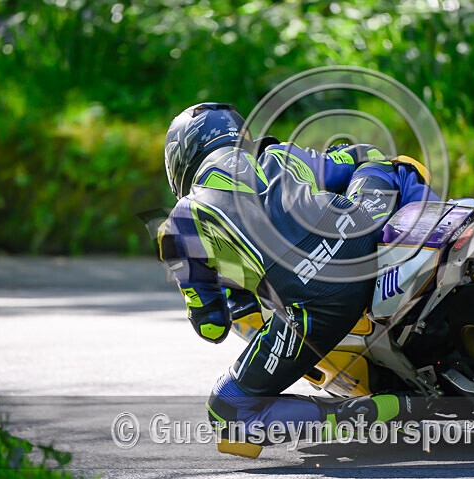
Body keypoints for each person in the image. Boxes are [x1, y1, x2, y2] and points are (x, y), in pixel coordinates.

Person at [158, 102, 439, 457]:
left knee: (227, 413)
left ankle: (375, 412)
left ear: (182, 157)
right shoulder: (281, 155)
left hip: (317, 306)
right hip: (360, 233)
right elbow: (358, 157)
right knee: (388, 165)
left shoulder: (181, 221)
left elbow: (212, 327)